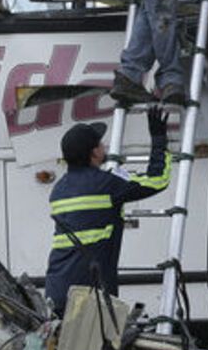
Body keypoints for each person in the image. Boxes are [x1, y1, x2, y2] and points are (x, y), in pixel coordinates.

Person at [44, 107, 172, 316]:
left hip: (57, 290)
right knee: (97, 338)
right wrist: (159, 140)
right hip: (91, 294)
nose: (104, 146)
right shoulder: (107, 185)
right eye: (101, 143)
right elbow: (158, 180)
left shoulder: (58, 190)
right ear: (95, 152)